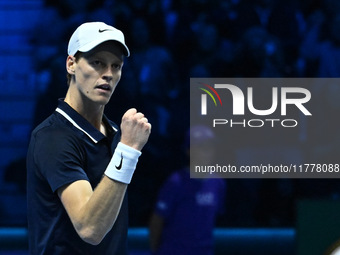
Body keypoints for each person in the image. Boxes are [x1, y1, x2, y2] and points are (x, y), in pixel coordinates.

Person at [26, 22, 151, 255]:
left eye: (116, 66)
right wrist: (128, 151)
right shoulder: (52, 137)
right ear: (71, 64)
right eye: (97, 63)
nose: (108, 74)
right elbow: (90, 228)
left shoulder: (115, 132)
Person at [149, 125, 226, 255]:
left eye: (210, 146)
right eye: (201, 147)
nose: (207, 151)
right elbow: (156, 221)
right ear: (188, 150)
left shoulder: (218, 183)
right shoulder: (175, 182)